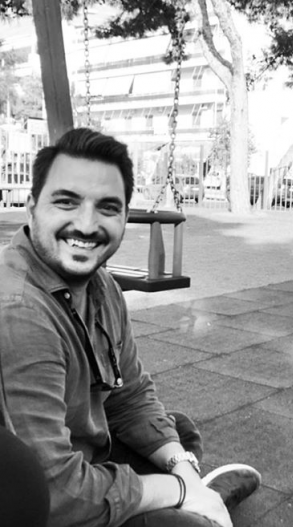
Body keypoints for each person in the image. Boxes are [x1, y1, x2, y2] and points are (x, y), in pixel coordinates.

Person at [0, 128, 261, 527]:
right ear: (32, 207)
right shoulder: (18, 310)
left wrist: (183, 473)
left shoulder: (101, 286)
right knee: (185, 515)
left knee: (177, 434)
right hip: (39, 499)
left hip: (87, 458)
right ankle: (199, 506)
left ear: (124, 217)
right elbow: (53, 492)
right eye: (66, 202)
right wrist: (179, 489)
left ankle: (199, 498)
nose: (86, 225)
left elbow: (131, 395)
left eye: (107, 207)